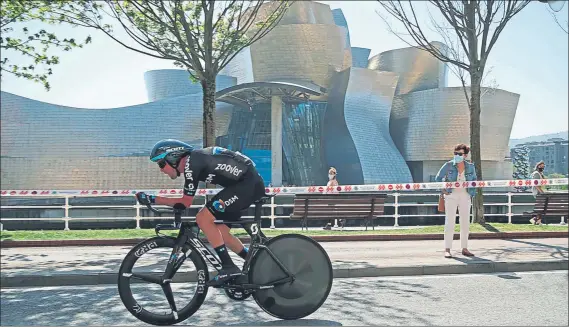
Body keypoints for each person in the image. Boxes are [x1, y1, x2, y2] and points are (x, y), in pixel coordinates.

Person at [134, 139, 266, 286]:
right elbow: (184, 202)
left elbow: (185, 202)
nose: (161, 169)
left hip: (246, 185)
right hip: (245, 184)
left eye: (161, 164)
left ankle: (229, 267)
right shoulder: (194, 161)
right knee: (222, 234)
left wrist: (152, 199)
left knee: (203, 218)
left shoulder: (191, 163)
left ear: (173, 157)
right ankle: (256, 262)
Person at [435, 144, 477, 258]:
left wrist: (471, 193)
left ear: (465, 155)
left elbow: (474, 181)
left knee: (465, 223)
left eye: (459, 154)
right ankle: (447, 249)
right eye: (455, 153)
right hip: (451, 196)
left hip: (465, 196)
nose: (457, 156)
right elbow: (438, 178)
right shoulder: (448, 165)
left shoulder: (471, 167)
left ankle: (465, 248)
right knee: (450, 222)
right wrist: (443, 190)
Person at [530, 161, 547, 225]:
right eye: (541, 166)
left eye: (543, 166)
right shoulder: (536, 173)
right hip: (538, 193)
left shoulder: (540, 174)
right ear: (537, 166)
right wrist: (542, 192)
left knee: (541, 207)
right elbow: (536, 185)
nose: (542, 167)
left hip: (540, 192)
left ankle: (537, 220)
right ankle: (534, 219)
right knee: (540, 207)